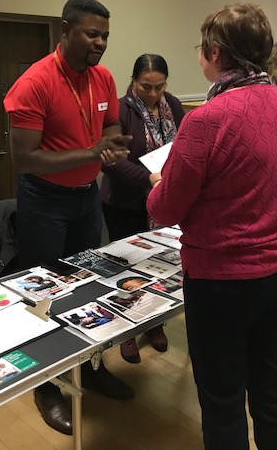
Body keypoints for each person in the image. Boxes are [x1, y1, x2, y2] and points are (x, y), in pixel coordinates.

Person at [147, 3, 277, 450]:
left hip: (220, 281)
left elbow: (165, 210)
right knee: (272, 376)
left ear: (215, 53)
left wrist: (158, 181)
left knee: (221, 396)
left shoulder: (205, 119)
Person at [3, 0, 133, 436]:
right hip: (44, 200)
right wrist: (91, 151)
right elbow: (25, 159)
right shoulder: (34, 82)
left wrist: (111, 144)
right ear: (66, 29)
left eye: (105, 37)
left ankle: (89, 369)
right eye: (91, 34)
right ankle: (46, 386)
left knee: (87, 291)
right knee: (43, 294)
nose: (100, 43)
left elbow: (111, 124)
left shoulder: (104, 77)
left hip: (86, 197)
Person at [101, 53, 185, 363]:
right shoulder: (122, 110)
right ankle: (127, 333)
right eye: (145, 86)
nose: (152, 94)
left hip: (161, 200)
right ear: (134, 82)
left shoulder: (172, 105)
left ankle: (154, 324)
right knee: (127, 271)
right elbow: (111, 162)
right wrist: (149, 177)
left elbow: (183, 144)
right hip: (124, 202)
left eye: (159, 87)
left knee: (158, 267)